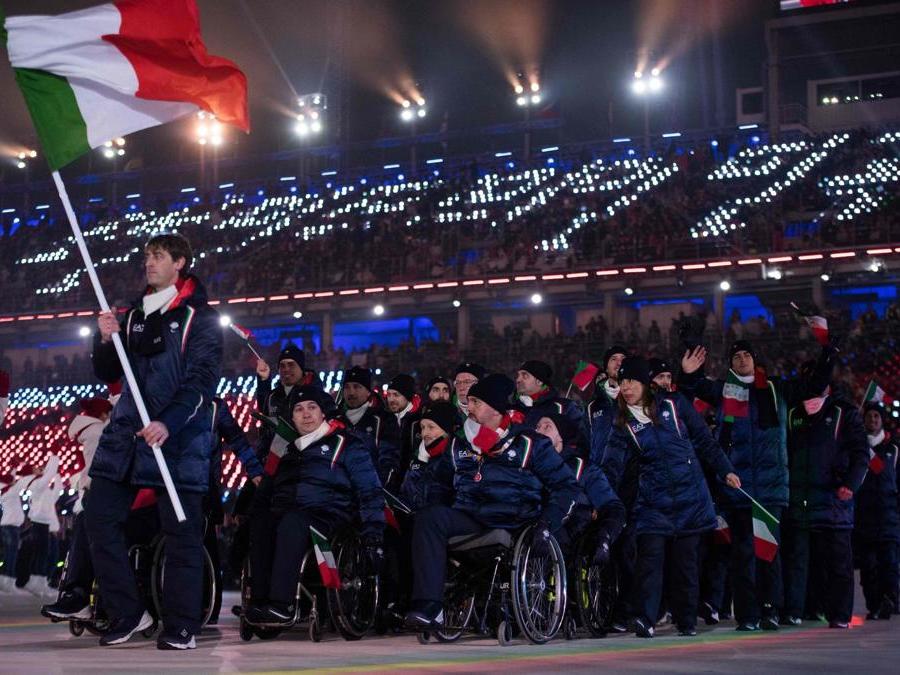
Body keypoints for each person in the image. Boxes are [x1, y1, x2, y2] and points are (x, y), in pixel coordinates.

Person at [86, 232, 222, 649]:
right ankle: (128, 612)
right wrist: (105, 339)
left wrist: (168, 422)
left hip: (177, 441)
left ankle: (182, 624)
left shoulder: (200, 318)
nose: (149, 263)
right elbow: (108, 372)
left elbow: (202, 382)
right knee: (98, 518)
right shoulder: (133, 315)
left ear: (179, 262)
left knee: (181, 533)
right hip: (126, 437)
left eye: (158, 256)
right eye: (147, 256)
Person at [678, 339, 835, 631]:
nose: (741, 359)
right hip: (738, 488)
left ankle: (770, 609)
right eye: (736, 356)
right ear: (730, 363)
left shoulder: (776, 389)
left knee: (769, 552)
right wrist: (688, 371)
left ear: (755, 359)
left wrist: (828, 357)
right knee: (743, 555)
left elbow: (813, 386)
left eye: (746, 354)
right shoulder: (725, 390)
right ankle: (747, 615)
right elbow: (692, 389)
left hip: (771, 489)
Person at [404, 374, 579, 629]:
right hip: (472, 517)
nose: (469, 406)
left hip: (515, 522)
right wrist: (436, 507)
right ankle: (430, 606)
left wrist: (547, 524)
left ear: (496, 409)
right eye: (470, 401)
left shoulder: (530, 443)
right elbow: (439, 485)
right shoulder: (459, 443)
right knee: (428, 519)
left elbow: (566, 487)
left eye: (476, 402)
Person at [602, 357, 740, 638]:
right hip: (653, 503)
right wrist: (600, 496)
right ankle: (645, 619)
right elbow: (611, 465)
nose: (626, 387)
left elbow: (704, 440)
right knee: (649, 561)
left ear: (646, 384)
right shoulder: (622, 423)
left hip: (690, 498)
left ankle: (686, 620)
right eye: (622, 382)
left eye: (632, 381)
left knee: (685, 564)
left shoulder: (674, 405)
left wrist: (726, 470)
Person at [246, 387, 384, 624]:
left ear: (323, 413)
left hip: (330, 517)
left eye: (312, 407)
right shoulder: (286, 449)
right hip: (289, 514)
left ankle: (283, 604)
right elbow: (266, 492)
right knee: (262, 524)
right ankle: (259, 603)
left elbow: (369, 490)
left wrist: (374, 535)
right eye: (299, 409)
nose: (306, 414)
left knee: (292, 523)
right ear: (292, 417)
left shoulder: (347, 443)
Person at [781, 380, 868, 628]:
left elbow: (861, 454)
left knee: (838, 561)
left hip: (834, 502)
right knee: (798, 561)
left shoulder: (845, 413)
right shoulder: (794, 412)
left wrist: (850, 484)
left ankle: (839, 614)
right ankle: (796, 610)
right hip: (799, 500)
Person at [41, 396, 114, 618]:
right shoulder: (98, 432)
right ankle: (85, 595)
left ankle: (77, 594)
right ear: (104, 414)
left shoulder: (89, 432)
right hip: (102, 496)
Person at [536, 413, 625, 562]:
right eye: (537, 427)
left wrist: (605, 535)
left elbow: (612, 505)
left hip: (570, 533)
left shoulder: (583, 468)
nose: (538, 431)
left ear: (561, 437)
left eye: (547, 427)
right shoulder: (527, 463)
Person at [854, 402, 899, 620]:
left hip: (889, 518)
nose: (872, 420)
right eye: (869, 416)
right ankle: (875, 604)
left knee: (889, 565)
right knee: (869, 567)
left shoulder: (894, 450)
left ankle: (890, 600)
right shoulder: (858, 448)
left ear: (882, 421)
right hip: (865, 519)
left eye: (876, 417)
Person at [337, 366, 401, 488]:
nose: (351, 392)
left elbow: (390, 459)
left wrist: (376, 488)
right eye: (347, 387)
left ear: (368, 391)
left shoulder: (384, 419)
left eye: (357, 387)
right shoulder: (334, 419)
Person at [400, 401, 458, 514]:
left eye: (431, 427)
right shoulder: (418, 457)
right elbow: (405, 493)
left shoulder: (456, 459)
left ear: (446, 430)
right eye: (422, 427)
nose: (424, 433)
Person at [515, 360, 586, 450]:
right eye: (518, 376)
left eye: (525, 376)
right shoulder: (512, 409)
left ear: (539, 381)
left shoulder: (564, 407)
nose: (518, 380)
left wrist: (560, 456)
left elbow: (581, 439)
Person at [23, 452, 61, 599]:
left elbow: (57, 490)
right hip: (39, 522)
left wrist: (56, 474)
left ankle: (39, 582)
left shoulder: (44, 488)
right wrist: (54, 458)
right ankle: (35, 583)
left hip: (44, 523)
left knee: (44, 554)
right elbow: (48, 475)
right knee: (41, 554)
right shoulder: (36, 484)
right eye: (36, 468)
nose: (40, 469)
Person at [0, 466, 33, 594]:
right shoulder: (11, 491)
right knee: (11, 554)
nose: (15, 481)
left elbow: (12, 479)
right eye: (13, 480)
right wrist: (30, 472)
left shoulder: (7, 491)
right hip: (10, 527)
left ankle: (5, 582)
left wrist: (14, 469)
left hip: (10, 527)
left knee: (9, 554)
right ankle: (8, 583)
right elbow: (22, 482)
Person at [385, 373, 423, 472]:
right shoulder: (386, 419)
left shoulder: (420, 420)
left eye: (396, 395)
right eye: (389, 394)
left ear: (407, 396)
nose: (391, 399)